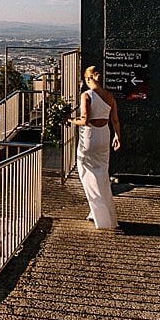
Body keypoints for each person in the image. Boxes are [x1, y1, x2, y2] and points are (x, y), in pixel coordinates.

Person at [71, 65, 120, 230]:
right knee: (102, 175)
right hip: (105, 135)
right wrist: (117, 136)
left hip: (90, 137)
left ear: (87, 79)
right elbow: (115, 120)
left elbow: (85, 120)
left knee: (86, 174)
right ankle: (101, 213)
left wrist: (69, 120)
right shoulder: (110, 95)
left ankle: (97, 213)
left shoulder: (87, 95)